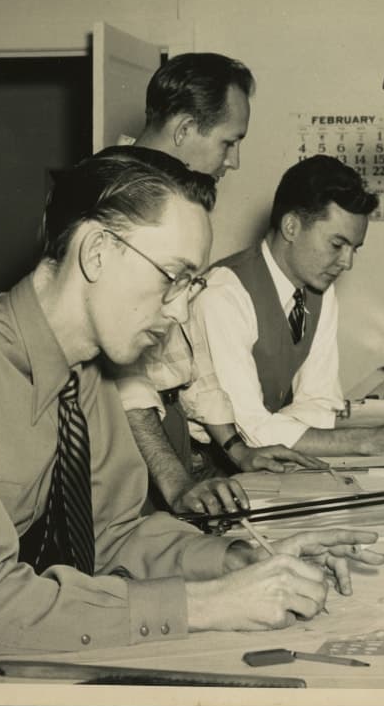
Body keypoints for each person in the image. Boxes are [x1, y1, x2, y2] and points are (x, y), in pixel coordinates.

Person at [0, 147, 384, 682]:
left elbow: (114, 533)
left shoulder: (88, 369)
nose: (182, 308)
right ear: (97, 252)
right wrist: (210, 605)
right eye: (174, 278)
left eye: (194, 283)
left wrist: (240, 561)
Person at [114, 52, 325, 516]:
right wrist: (174, 481)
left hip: (167, 428)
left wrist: (236, 448)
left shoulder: (177, 196)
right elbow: (121, 373)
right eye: (229, 142)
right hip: (125, 437)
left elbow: (187, 346)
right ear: (185, 129)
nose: (234, 161)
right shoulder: (113, 197)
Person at [182, 154, 384, 457]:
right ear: (292, 227)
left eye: (354, 249)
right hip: (205, 469)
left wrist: (279, 429)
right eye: (337, 245)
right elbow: (249, 431)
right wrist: (367, 441)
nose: (346, 263)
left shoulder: (317, 292)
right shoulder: (223, 296)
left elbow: (321, 402)